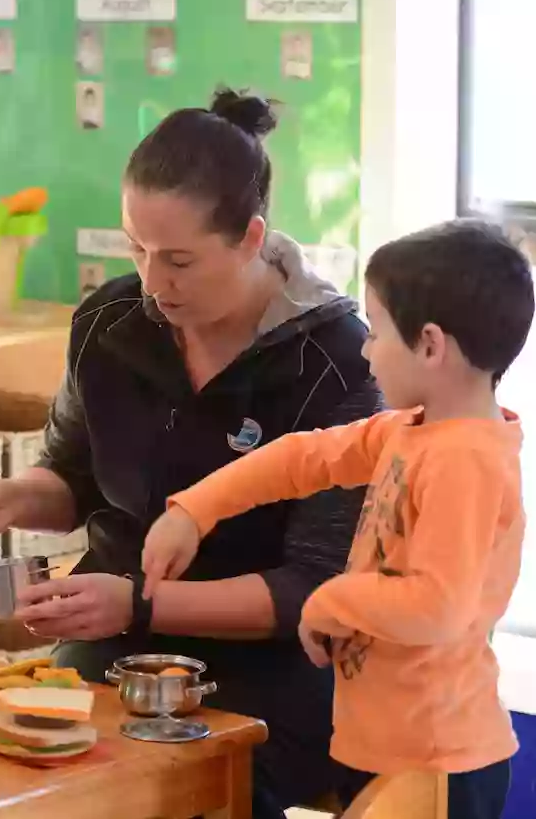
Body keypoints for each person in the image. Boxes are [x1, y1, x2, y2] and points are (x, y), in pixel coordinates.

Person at [0, 88, 383, 817]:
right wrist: (12, 496)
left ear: (252, 238)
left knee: (174, 796)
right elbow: (74, 474)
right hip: (118, 639)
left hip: (275, 663)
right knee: (25, 778)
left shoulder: (339, 362)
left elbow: (313, 590)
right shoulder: (110, 321)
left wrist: (139, 601)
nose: (154, 283)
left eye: (180, 261)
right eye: (134, 248)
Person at [144, 219, 532, 819]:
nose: (364, 349)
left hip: (436, 762)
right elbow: (305, 457)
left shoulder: (467, 461)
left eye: (376, 333)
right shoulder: (414, 429)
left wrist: (328, 602)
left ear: (430, 345)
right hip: (385, 746)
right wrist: (195, 511)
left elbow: (438, 604)